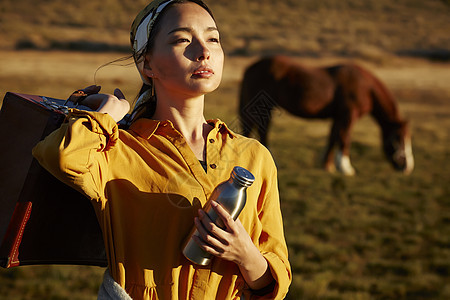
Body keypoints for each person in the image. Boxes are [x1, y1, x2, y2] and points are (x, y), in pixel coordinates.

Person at [32, 0, 291, 299]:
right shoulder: (119, 148)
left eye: (213, 38)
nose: (204, 51)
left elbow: (275, 279)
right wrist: (105, 116)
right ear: (147, 65)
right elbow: (60, 157)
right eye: (182, 39)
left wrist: (246, 256)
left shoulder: (254, 156)